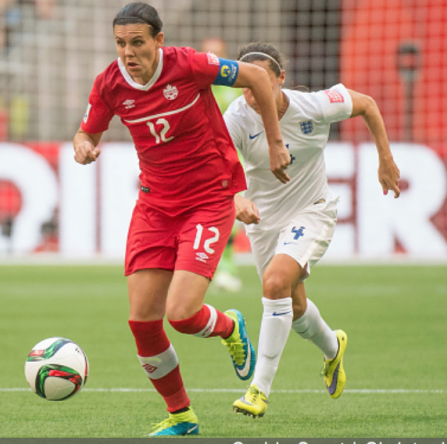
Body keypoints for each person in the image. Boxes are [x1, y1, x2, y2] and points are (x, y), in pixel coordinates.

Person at [73, 3, 291, 436]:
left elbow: (257, 77)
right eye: (120, 44)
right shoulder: (110, 83)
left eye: (137, 42)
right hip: (155, 206)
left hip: (208, 201)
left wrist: (274, 142)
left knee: (181, 313)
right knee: (142, 322)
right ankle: (181, 416)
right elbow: (87, 132)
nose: (128, 53)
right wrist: (82, 146)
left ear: (159, 40)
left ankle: (230, 326)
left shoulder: (189, 64)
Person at [223, 42, 401, 418]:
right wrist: (237, 197)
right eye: (245, 86)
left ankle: (259, 389)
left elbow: (367, 103)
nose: (253, 95)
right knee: (296, 306)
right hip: (264, 221)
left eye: (262, 84)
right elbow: (218, 166)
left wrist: (385, 158)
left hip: (312, 211)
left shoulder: (315, 105)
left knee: (274, 284)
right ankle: (333, 348)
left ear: (282, 79)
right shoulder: (236, 117)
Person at [200, 36, 243, 293]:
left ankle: (227, 269)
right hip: (201, 164)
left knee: (231, 220)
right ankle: (208, 269)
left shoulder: (236, 87)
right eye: (207, 54)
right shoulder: (195, 85)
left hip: (233, 162)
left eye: (216, 54)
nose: (212, 59)